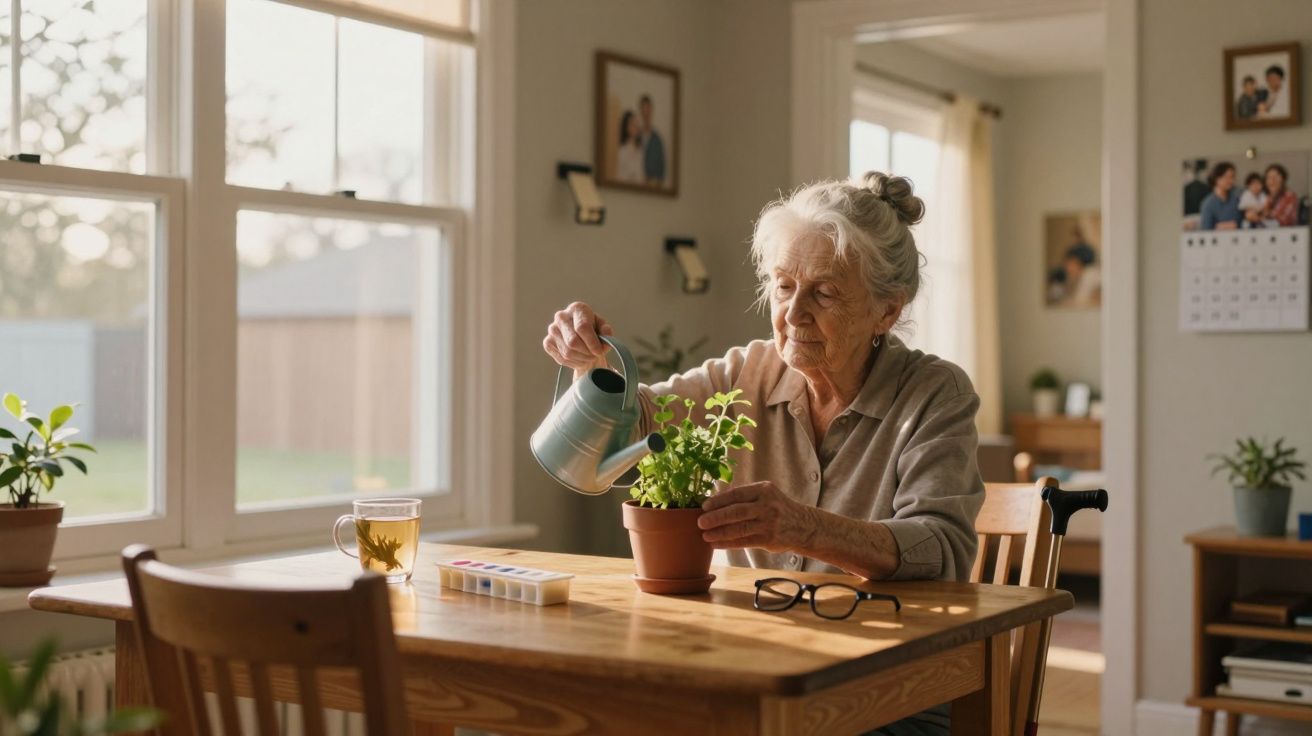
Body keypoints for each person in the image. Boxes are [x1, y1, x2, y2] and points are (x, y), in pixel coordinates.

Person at [542, 172, 982, 735]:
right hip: (752, 671)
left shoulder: (934, 394)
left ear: (887, 311)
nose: (793, 313)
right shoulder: (748, 371)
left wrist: (801, 527)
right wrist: (594, 365)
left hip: (892, 690)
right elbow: (637, 426)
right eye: (782, 286)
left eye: (823, 293)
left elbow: (943, 548)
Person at [1198, 162, 1241, 230]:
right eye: (1227, 177)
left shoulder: (1236, 199)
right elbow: (1206, 228)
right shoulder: (1208, 203)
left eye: (1233, 177)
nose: (1231, 181)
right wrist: (1221, 227)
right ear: (1217, 178)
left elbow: (1241, 222)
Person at [638, 95, 667, 186]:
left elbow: (661, 169)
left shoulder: (657, 140)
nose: (646, 112)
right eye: (643, 109)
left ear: (651, 110)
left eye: (648, 108)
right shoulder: (635, 137)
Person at [1263, 163, 1299, 227]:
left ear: (1283, 179)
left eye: (1275, 177)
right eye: (1269, 178)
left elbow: (1285, 220)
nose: (1272, 181)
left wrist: (1266, 215)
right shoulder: (1267, 197)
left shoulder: (1290, 196)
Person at [615, 110, 645, 184]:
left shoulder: (640, 150)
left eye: (636, 124)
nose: (635, 127)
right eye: (632, 124)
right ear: (626, 127)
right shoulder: (622, 150)